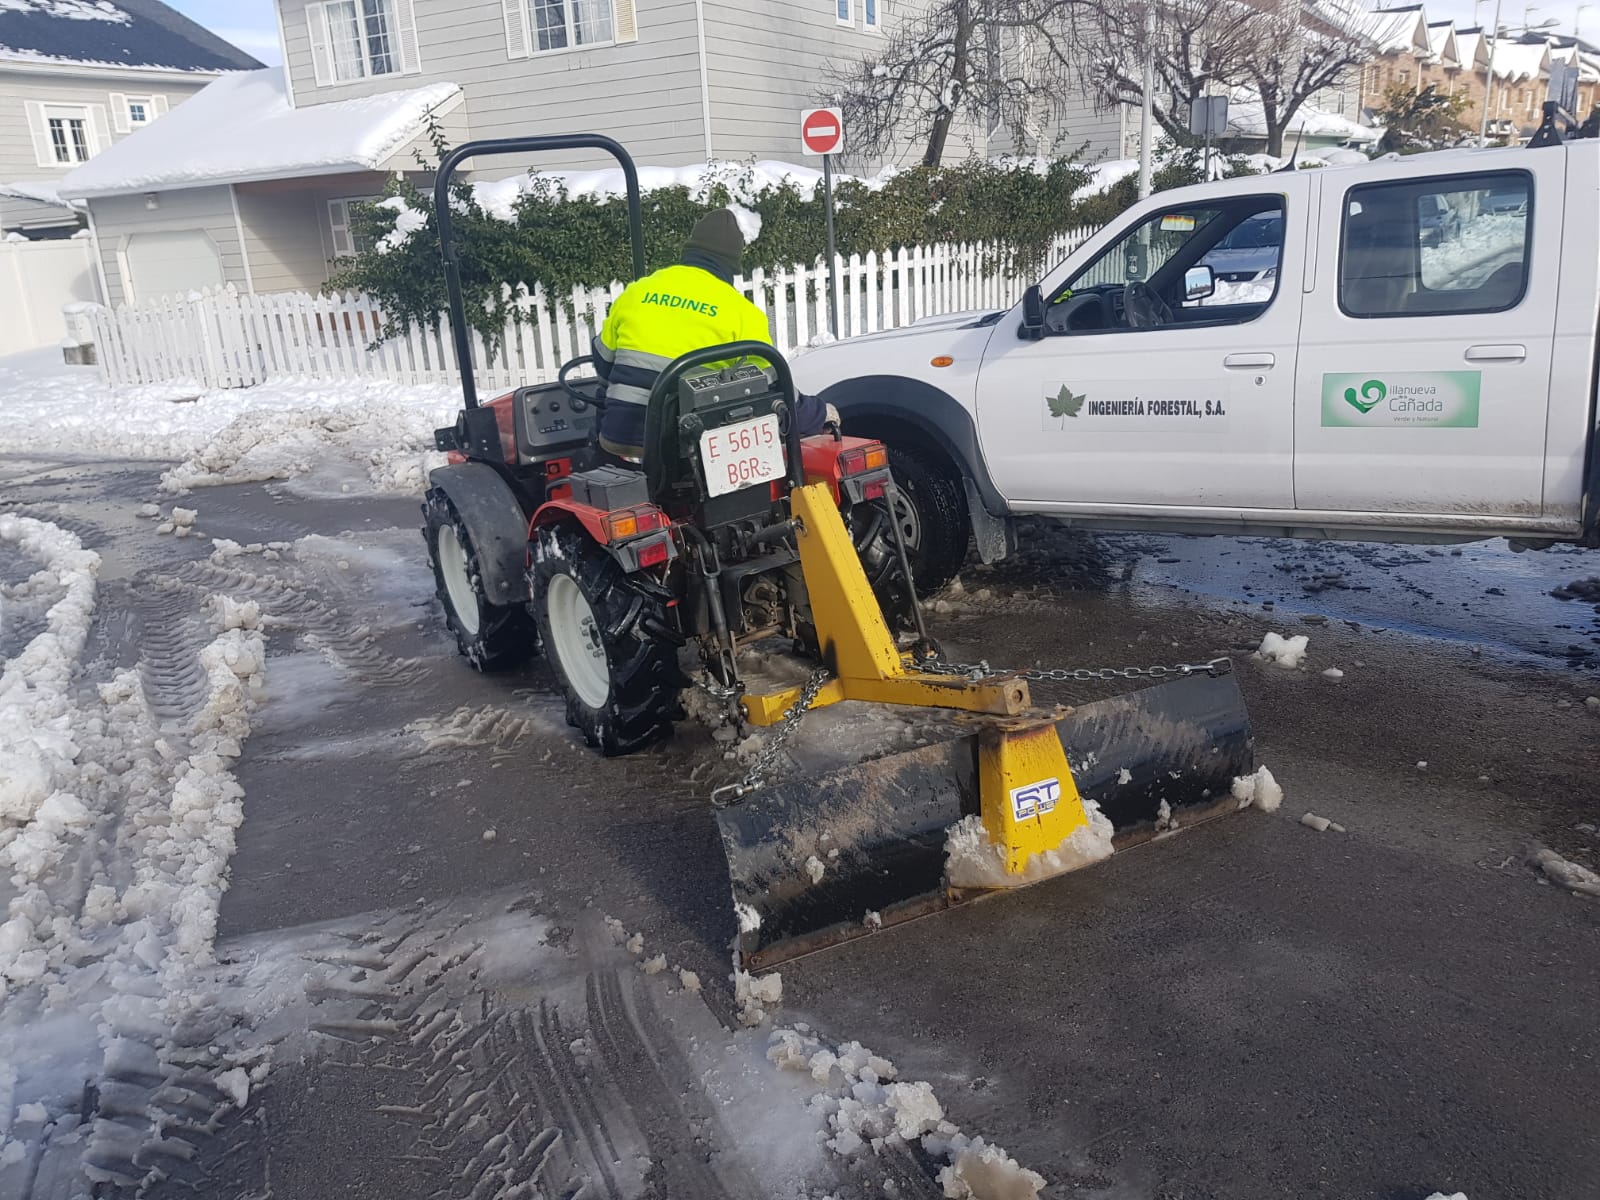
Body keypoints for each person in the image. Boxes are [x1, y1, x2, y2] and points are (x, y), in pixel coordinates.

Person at [593, 208, 828, 459]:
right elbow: (774, 387)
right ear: (732, 265)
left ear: (689, 250)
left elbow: (602, 361)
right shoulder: (741, 312)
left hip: (619, 439)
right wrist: (819, 413)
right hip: (688, 449)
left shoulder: (637, 292)